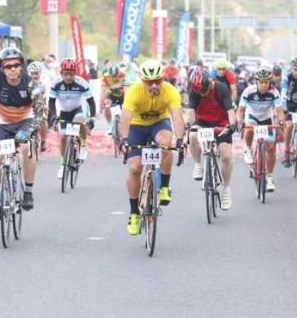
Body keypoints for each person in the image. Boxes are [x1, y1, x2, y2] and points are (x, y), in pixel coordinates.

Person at [118, 60, 185, 236]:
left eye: (158, 80)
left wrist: (179, 139)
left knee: (166, 144)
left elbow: (177, 117)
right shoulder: (134, 91)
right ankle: (134, 213)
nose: (154, 85)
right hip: (137, 127)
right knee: (135, 168)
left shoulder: (170, 90)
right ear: (142, 80)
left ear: (163, 78)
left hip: (158, 124)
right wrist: (124, 139)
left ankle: (164, 186)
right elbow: (125, 118)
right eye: (149, 82)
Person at [0, 47, 40, 219]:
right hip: (1, 122)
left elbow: (42, 111)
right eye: (8, 66)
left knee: (27, 149)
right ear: (1, 68)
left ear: (22, 66)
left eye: (16, 65)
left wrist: (29, 131)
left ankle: (28, 191)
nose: (13, 69)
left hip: (25, 120)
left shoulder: (31, 82)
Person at [187, 67, 236, 210]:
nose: (204, 93)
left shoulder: (221, 88)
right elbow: (190, 112)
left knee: (226, 157)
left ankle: (226, 189)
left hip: (221, 123)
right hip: (203, 122)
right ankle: (197, 164)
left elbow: (230, 111)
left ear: (209, 82)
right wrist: (188, 125)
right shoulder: (195, 91)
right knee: (193, 134)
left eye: (205, 89)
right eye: (200, 92)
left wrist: (232, 125)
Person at [48, 58, 97, 180]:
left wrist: (92, 118)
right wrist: (53, 117)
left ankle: (84, 146)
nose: (69, 76)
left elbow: (91, 102)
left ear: (75, 73)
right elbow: (51, 103)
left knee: (79, 120)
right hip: (64, 112)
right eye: (66, 74)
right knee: (64, 137)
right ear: (61, 73)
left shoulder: (81, 83)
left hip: (78, 109)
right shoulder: (56, 84)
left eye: (71, 74)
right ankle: (63, 165)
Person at [238, 67, 285, 192]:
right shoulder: (248, 91)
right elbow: (241, 110)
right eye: (261, 82)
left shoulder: (274, 92)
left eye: (266, 82)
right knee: (249, 129)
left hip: (266, 119)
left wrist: (281, 122)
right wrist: (240, 121)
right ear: (256, 82)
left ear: (269, 82)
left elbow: (279, 110)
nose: (264, 85)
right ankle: (247, 149)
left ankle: (269, 178)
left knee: (270, 148)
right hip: (252, 116)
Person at [27, 61, 49, 152]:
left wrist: (46, 105)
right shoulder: (26, 81)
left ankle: (43, 141)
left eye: (37, 73)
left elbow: (47, 94)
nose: (35, 76)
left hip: (41, 103)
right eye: (33, 74)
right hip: (29, 104)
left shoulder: (45, 81)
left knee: (43, 119)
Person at [101, 63, 127, 135]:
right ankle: (110, 126)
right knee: (107, 105)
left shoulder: (123, 75)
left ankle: (126, 126)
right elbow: (103, 90)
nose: (114, 78)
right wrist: (101, 103)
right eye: (112, 76)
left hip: (122, 94)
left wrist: (126, 102)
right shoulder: (105, 77)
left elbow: (126, 90)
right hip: (111, 94)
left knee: (126, 109)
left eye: (116, 76)